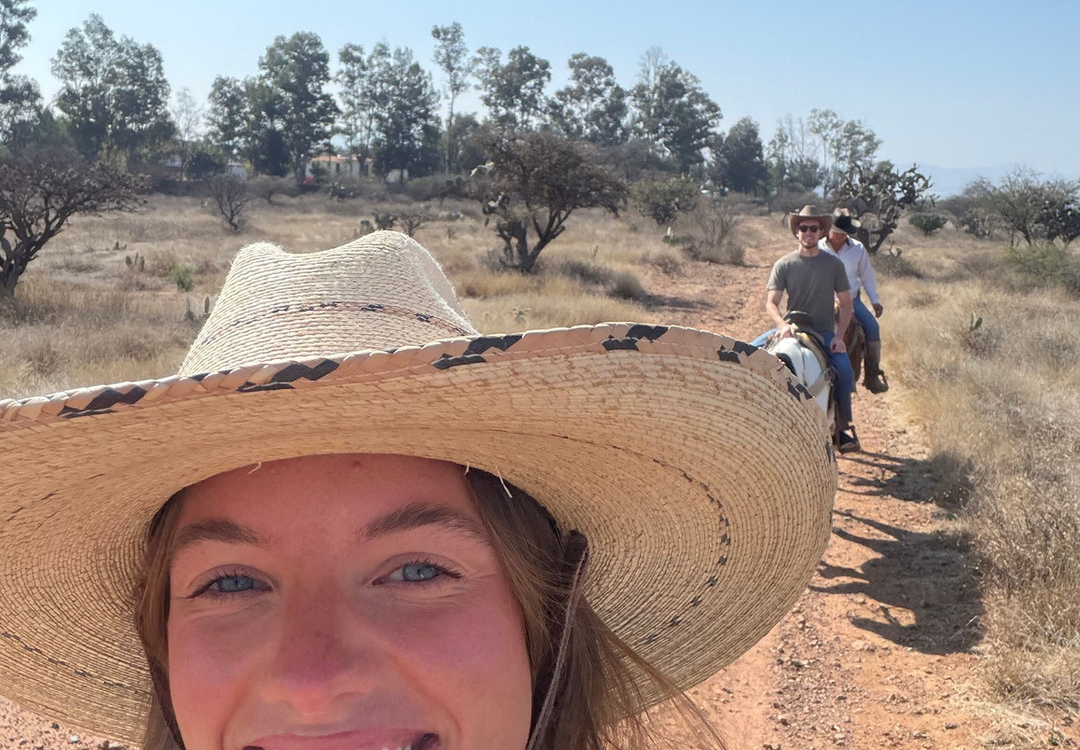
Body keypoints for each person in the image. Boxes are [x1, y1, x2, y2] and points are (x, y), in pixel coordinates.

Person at [0, 231, 837, 750]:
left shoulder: (834, 263)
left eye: (416, 570)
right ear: (161, 643)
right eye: (229, 582)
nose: (313, 679)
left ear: (549, 613)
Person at [751, 205, 859, 453]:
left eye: (814, 228)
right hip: (791, 326)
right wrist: (782, 325)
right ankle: (748, 416)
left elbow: (846, 303)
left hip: (822, 331)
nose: (808, 232)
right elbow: (771, 302)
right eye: (803, 228)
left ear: (822, 232)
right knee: (746, 354)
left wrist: (840, 337)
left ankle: (841, 428)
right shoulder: (784, 264)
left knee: (844, 369)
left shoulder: (833, 265)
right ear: (797, 232)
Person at [822, 209, 888, 394]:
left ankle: (872, 376)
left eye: (844, 234)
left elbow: (867, 275)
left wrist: (875, 301)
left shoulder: (857, 249)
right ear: (828, 230)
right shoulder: (817, 247)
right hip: (822, 300)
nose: (840, 237)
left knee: (872, 327)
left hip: (850, 300)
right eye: (836, 233)